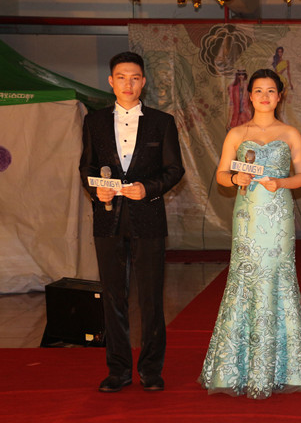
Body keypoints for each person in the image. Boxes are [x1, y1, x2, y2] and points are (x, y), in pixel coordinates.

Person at [199, 69, 301, 399]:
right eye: (258, 90)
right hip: (247, 215)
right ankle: (234, 367)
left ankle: (282, 369)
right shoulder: (237, 133)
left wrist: (281, 182)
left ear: (280, 96)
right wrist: (236, 179)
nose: (264, 96)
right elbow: (221, 173)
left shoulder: (290, 133)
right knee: (245, 278)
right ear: (249, 96)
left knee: (278, 277)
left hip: (278, 216)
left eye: (271, 90)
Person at [79, 51, 185, 393]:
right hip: (107, 219)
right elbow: (86, 167)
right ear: (111, 81)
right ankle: (119, 370)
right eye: (122, 77)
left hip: (149, 217)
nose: (128, 83)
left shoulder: (162, 122)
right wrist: (96, 189)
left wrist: (148, 188)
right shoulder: (94, 121)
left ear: (144, 82)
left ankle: (151, 371)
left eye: (135, 77)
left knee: (151, 297)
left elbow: (175, 169)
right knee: (113, 296)